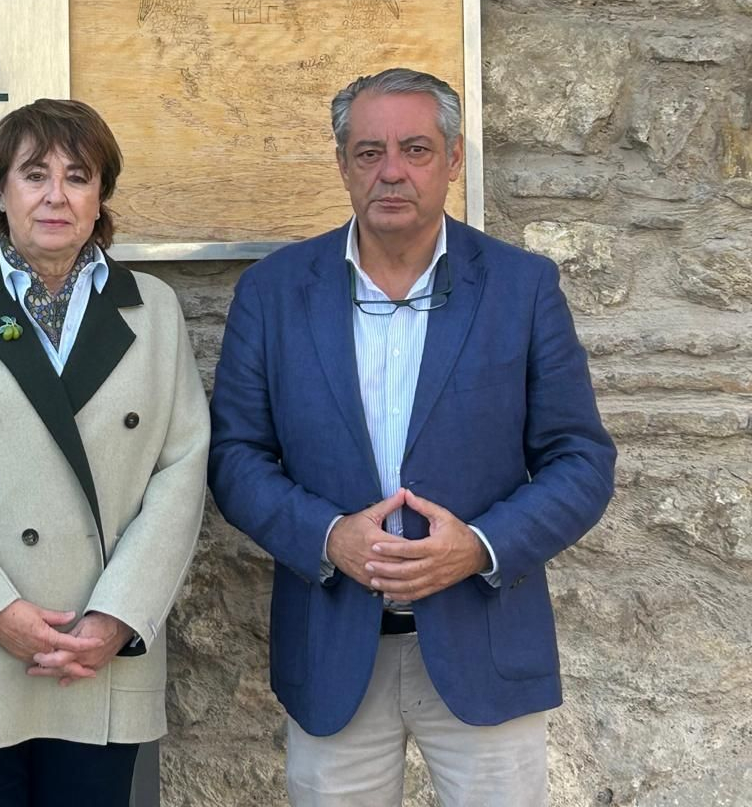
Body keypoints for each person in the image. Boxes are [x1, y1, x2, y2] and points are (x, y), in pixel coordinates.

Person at [209, 68, 616, 806]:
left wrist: (479, 546)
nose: (391, 171)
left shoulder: (522, 289)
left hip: (484, 645)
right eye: (368, 153)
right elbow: (236, 457)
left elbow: (581, 460)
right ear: (342, 165)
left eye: (415, 149)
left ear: (453, 160)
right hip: (335, 650)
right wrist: (329, 535)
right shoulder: (273, 293)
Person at [0, 98, 210, 807]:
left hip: (97, 654)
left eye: (78, 176)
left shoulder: (153, 310)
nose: (56, 195)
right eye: (35, 174)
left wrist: (118, 615)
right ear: (1, 190)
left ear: (100, 195)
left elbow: (180, 471)